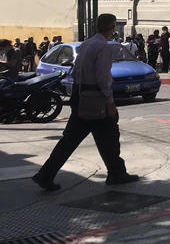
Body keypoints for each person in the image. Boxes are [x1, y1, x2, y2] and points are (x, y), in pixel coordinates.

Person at [33, 14, 139, 191]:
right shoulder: (103, 48)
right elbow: (103, 77)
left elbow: (75, 72)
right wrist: (109, 101)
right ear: (112, 28)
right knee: (110, 137)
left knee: (70, 140)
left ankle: (46, 174)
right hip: (96, 98)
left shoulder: (86, 44)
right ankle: (116, 173)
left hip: (80, 95)